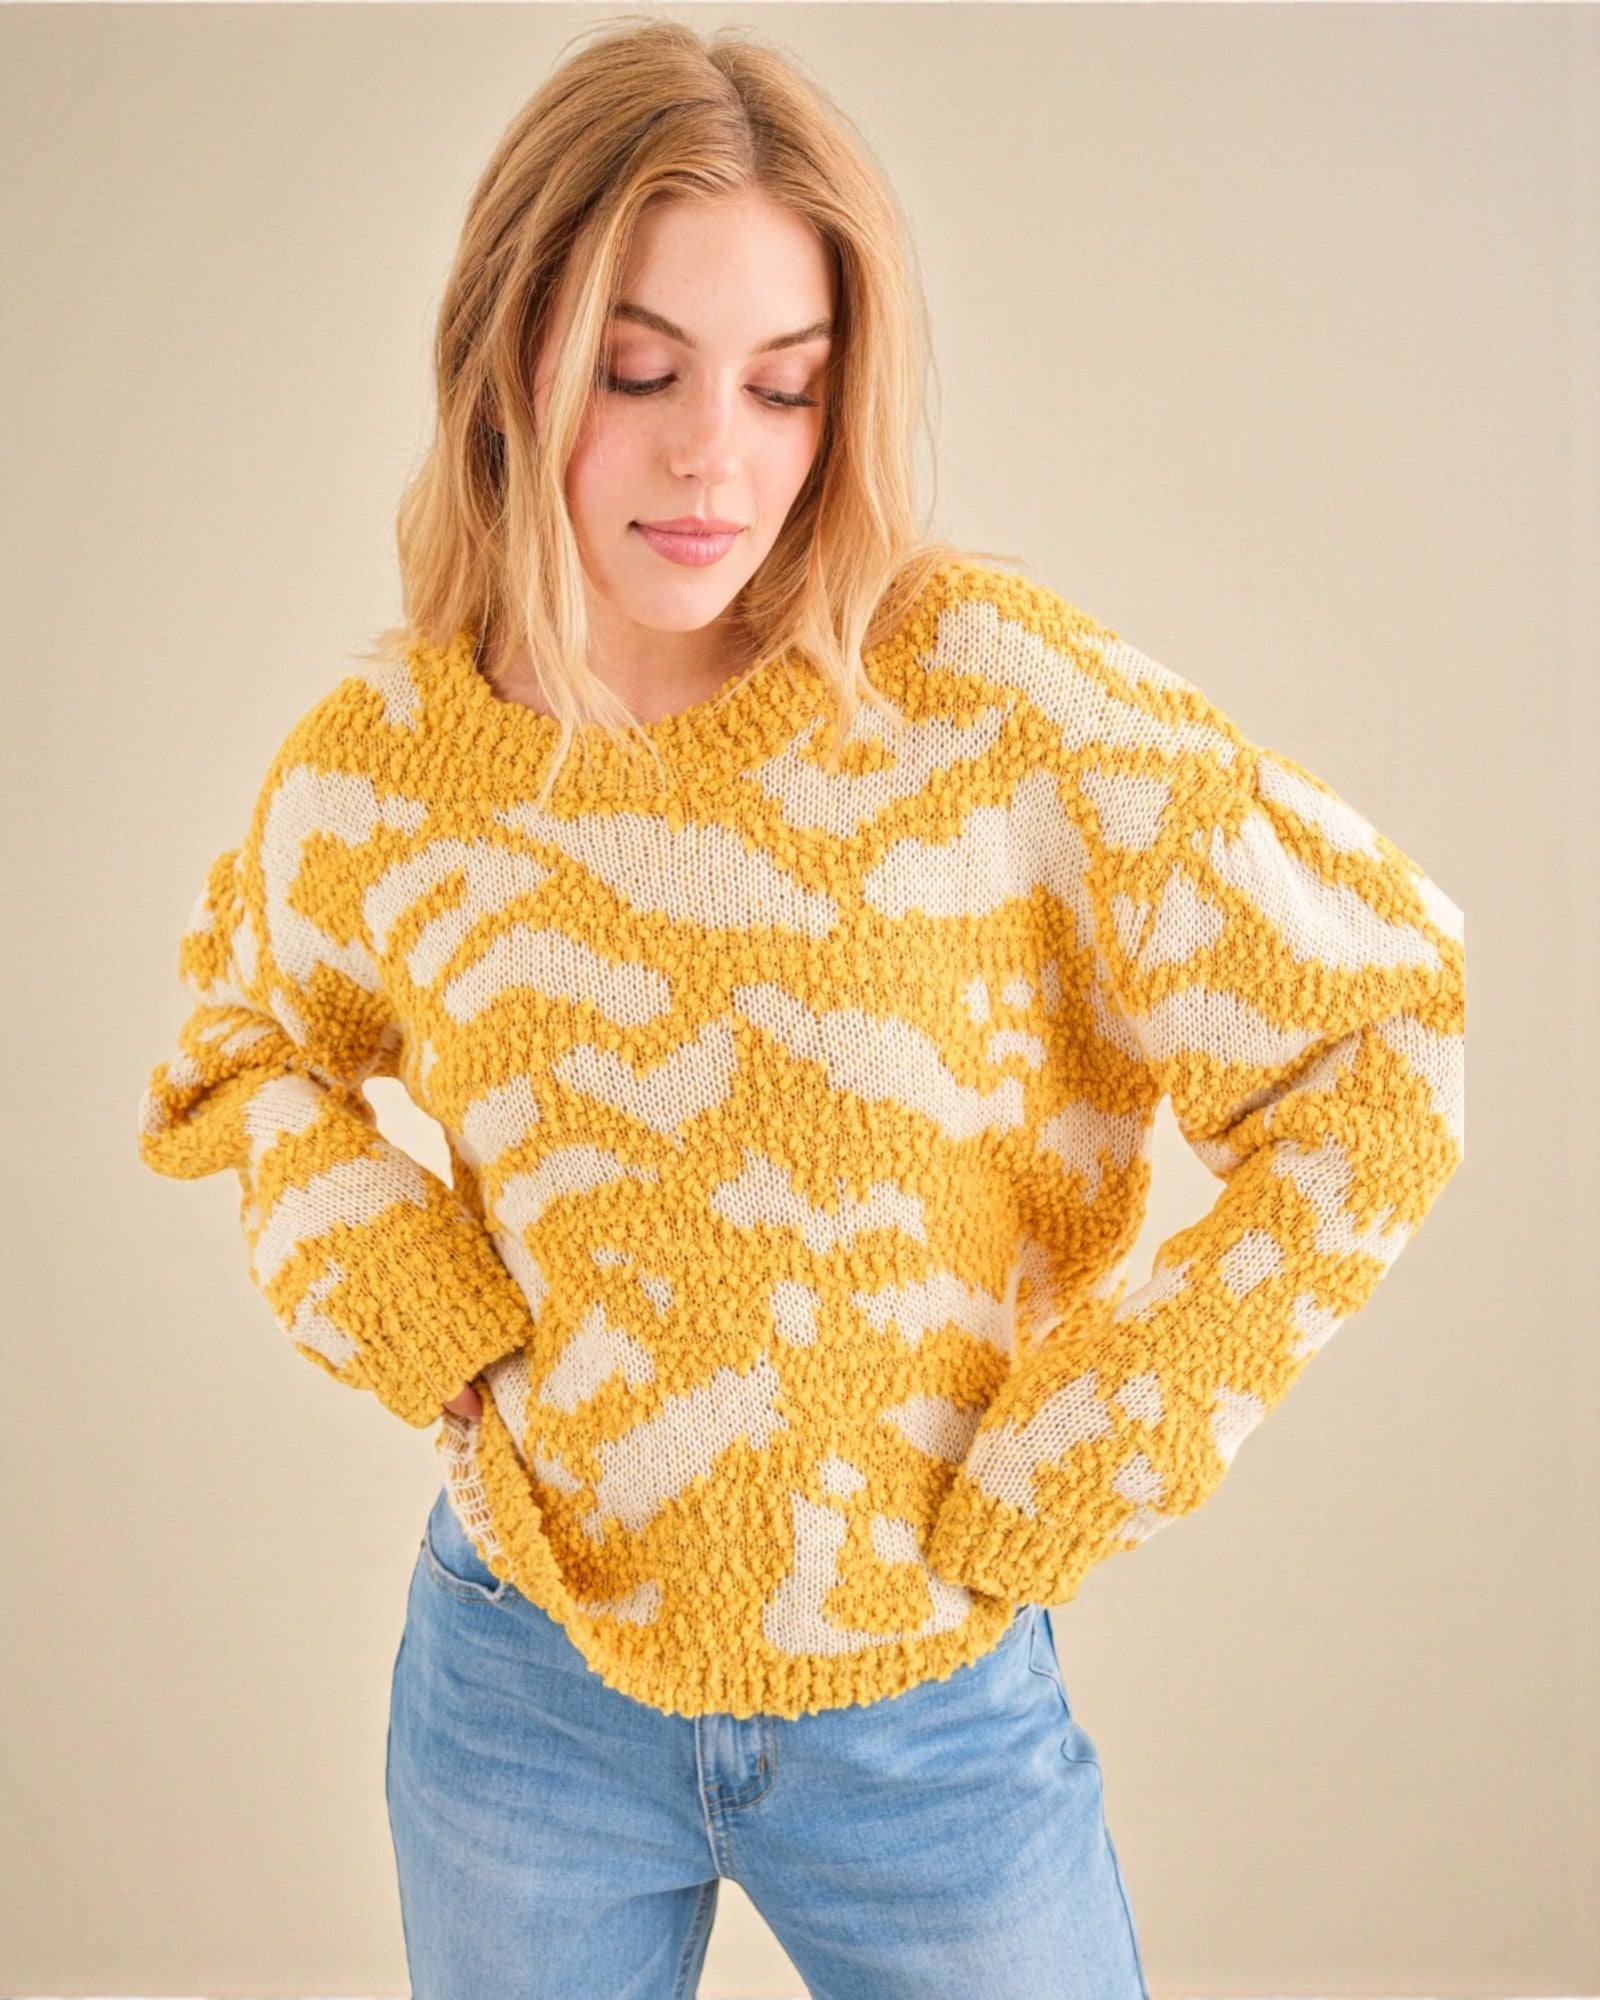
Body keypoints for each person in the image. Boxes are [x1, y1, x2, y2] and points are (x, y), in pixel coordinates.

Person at [135, 18, 1466, 1999]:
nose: (713, 455)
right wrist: (406, 1290)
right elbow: (234, 1050)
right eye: (639, 369)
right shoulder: (383, 768)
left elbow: (1382, 1032)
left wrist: (1108, 1434)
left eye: (783, 385)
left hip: (927, 1719)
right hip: (520, 1684)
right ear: (506, 362)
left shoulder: (984, 697)